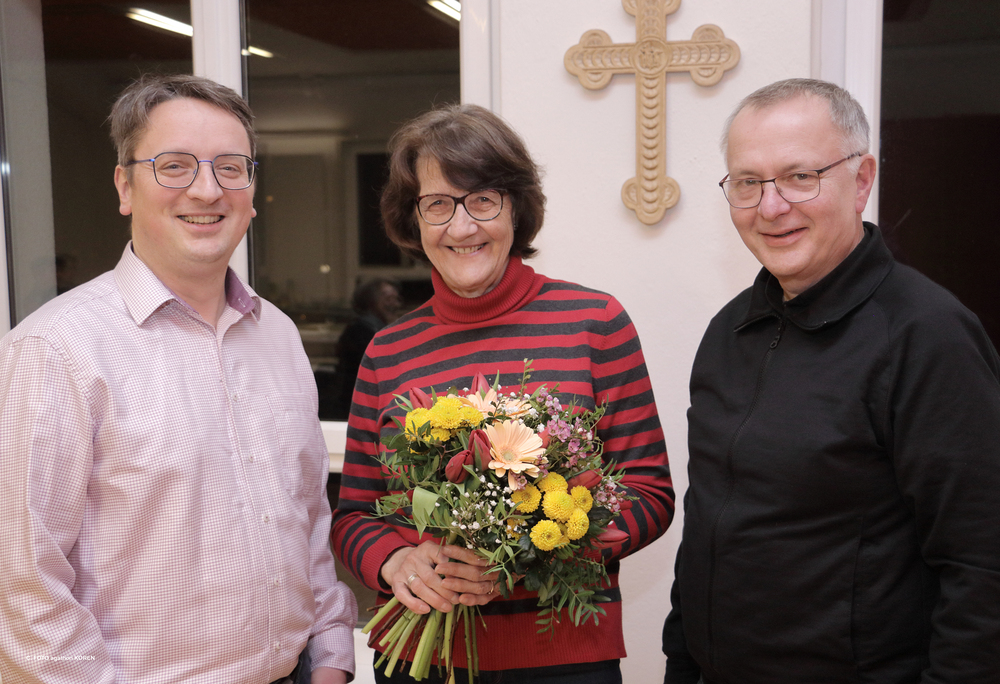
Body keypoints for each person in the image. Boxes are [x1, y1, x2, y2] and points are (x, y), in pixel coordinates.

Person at [0, 74, 357, 684]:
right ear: (125, 186)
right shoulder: (55, 349)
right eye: (174, 166)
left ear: (251, 190)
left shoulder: (277, 335)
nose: (207, 189)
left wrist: (330, 658)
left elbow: (307, 517)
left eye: (230, 167)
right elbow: (23, 582)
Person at [662, 78, 1000, 683]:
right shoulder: (729, 331)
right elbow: (707, 527)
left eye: (800, 176)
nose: (771, 206)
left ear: (861, 180)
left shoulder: (928, 336)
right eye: (748, 182)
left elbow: (981, 563)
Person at [331, 103, 675, 683]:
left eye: (483, 200)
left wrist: (532, 552)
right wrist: (394, 560)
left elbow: (650, 493)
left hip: (560, 660)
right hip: (418, 658)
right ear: (413, 219)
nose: (461, 227)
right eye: (437, 204)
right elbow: (355, 515)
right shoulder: (388, 350)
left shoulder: (595, 323)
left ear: (517, 207)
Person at [324, 278, 402, 419]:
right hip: (358, 408)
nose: (395, 304)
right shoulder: (361, 332)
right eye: (388, 299)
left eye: (396, 299)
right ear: (370, 301)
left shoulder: (375, 329)